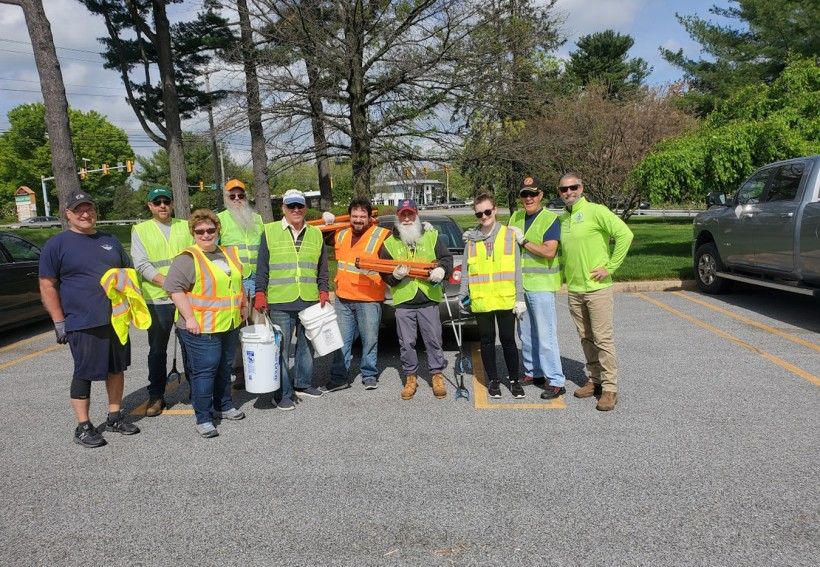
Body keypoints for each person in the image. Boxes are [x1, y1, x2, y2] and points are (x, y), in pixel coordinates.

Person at [39, 191, 140, 448]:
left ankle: (114, 416)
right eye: (79, 210)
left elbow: (127, 275)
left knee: (116, 369)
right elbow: (47, 285)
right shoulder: (57, 244)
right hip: (82, 321)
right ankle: (83, 426)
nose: (85, 214)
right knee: (84, 373)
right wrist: (59, 321)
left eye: (89, 209)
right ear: (68, 214)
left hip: (115, 320)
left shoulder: (111, 241)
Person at [164, 209, 247, 437]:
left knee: (224, 367)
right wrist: (189, 317)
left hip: (228, 324)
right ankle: (204, 417)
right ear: (193, 233)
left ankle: (224, 405)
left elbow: (235, 284)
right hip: (200, 327)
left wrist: (243, 306)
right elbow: (173, 288)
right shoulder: (188, 258)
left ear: (218, 230)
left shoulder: (227, 253)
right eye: (200, 231)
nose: (206, 234)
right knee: (204, 371)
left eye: (211, 230)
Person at [557, 173, 633, 411]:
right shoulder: (563, 220)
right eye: (563, 189)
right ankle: (595, 379)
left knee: (602, 339)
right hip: (575, 289)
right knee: (586, 338)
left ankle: (610, 388)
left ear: (582, 187)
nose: (569, 192)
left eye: (573, 187)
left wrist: (610, 267)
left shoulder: (596, 210)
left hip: (597, 289)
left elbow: (625, 235)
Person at [254, 189, 328, 410]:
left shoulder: (316, 234)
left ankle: (303, 383)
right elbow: (262, 267)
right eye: (291, 206)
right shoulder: (269, 232)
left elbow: (322, 267)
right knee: (281, 349)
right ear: (283, 209)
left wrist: (323, 289)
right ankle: (282, 392)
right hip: (280, 301)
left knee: (306, 346)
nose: (296, 210)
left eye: (300, 206)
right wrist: (260, 293)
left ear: (305, 208)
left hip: (309, 300)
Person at [379, 199, 453, 400]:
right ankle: (411, 377)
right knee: (406, 342)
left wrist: (441, 270)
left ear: (416, 214)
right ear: (398, 216)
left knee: (434, 339)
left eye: (410, 214)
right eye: (403, 214)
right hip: (404, 302)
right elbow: (383, 273)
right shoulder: (388, 243)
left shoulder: (431, 235)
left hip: (428, 298)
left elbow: (447, 259)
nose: (406, 218)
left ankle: (437, 374)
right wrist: (395, 277)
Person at [131, 187, 193, 416]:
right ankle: (156, 396)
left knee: (191, 346)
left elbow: (194, 256)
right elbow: (142, 264)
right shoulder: (140, 230)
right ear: (150, 206)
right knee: (157, 350)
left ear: (172, 203)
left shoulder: (184, 226)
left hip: (186, 296)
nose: (162, 205)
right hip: (157, 299)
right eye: (157, 202)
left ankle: (196, 390)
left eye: (166, 201)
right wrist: (169, 284)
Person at [321, 198, 391, 391]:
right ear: (349, 217)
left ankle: (369, 375)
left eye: (362, 216)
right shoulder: (341, 234)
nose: (358, 220)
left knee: (370, 340)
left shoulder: (382, 235)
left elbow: (400, 247)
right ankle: (339, 378)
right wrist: (327, 221)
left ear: (370, 217)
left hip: (369, 299)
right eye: (355, 216)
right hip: (343, 298)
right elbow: (320, 236)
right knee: (341, 341)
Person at [460, 193, 526, 399]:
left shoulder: (509, 235)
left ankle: (514, 380)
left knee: (508, 340)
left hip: (505, 297)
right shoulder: (471, 239)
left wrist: (520, 297)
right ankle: (493, 380)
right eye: (479, 213)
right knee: (486, 341)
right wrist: (463, 295)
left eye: (487, 211)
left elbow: (517, 269)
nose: (484, 216)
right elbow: (465, 271)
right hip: (481, 300)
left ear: (495, 210)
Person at [508, 176, 567, 399]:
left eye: (533, 194)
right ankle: (534, 372)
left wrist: (523, 241)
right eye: (525, 194)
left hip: (542, 286)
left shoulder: (550, 219)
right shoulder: (516, 216)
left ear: (541, 195)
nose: (529, 198)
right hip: (521, 286)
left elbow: (549, 251)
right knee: (526, 334)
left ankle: (556, 380)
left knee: (545, 335)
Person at [217, 178, 265, 389]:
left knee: (259, 323)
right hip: (234, 281)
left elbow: (265, 249)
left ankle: (260, 365)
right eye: (232, 195)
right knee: (236, 326)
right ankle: (239, 370)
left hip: (258, 279)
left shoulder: (257, 219)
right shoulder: (219, 220)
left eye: (241, 195)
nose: (237, 199)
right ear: (226, 197)